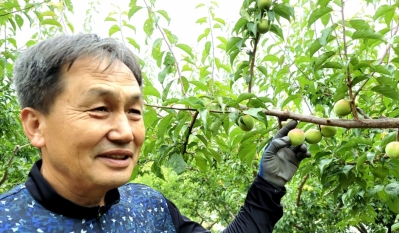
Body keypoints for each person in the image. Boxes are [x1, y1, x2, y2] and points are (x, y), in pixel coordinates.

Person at [0, 34, 310, 232]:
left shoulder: (149, 207)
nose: (125, 132)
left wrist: (267, 187)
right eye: (99, 109)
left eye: (134, 111)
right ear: (36, 126)